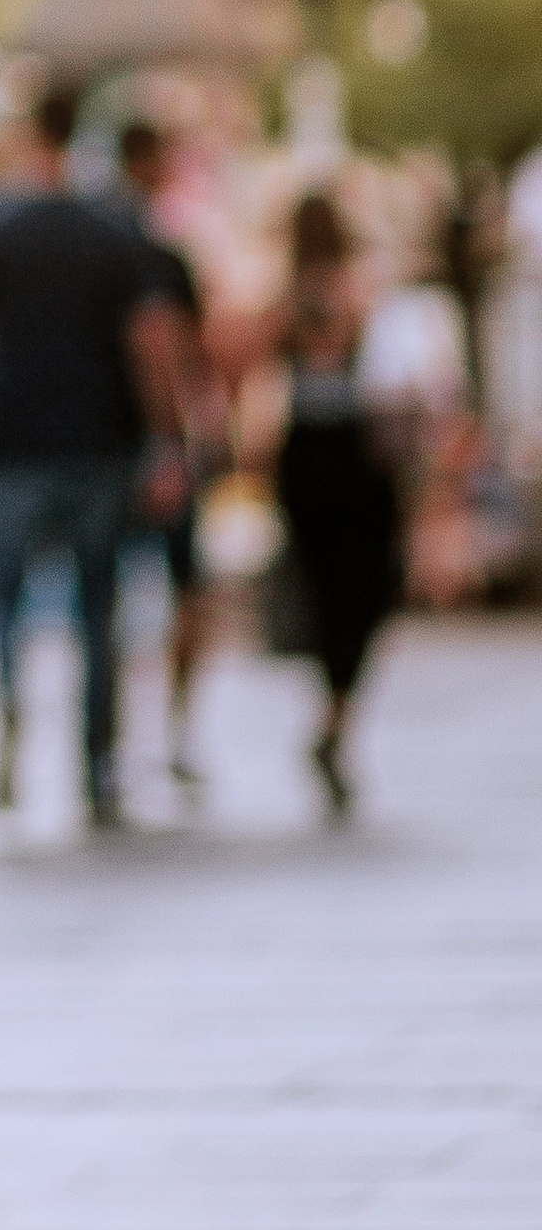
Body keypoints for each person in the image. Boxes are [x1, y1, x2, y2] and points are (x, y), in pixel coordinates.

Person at [0, 90, 186, 830]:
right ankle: (97, 765)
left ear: (27, 136)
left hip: (12, 446)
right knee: (99, 613)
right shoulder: (113, 231)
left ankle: (11, 734)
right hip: (98, 445)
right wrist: (167, 441)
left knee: (6, 609)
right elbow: (149, 346)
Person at [269, 188, 403, 815]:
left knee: (329, 587)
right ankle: (337, 713)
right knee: (360, 588)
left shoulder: (289, 296)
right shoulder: (354, 291)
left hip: (310, 449)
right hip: (349, 448)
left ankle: (333, 713)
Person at [110, 119, 230, 789]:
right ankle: (174, 729)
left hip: (112, 442)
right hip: (159, 444)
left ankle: (115, 738)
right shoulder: (158, 254)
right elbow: (184, 350)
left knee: (114, 595)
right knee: (186, 591)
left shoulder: (99, 247)